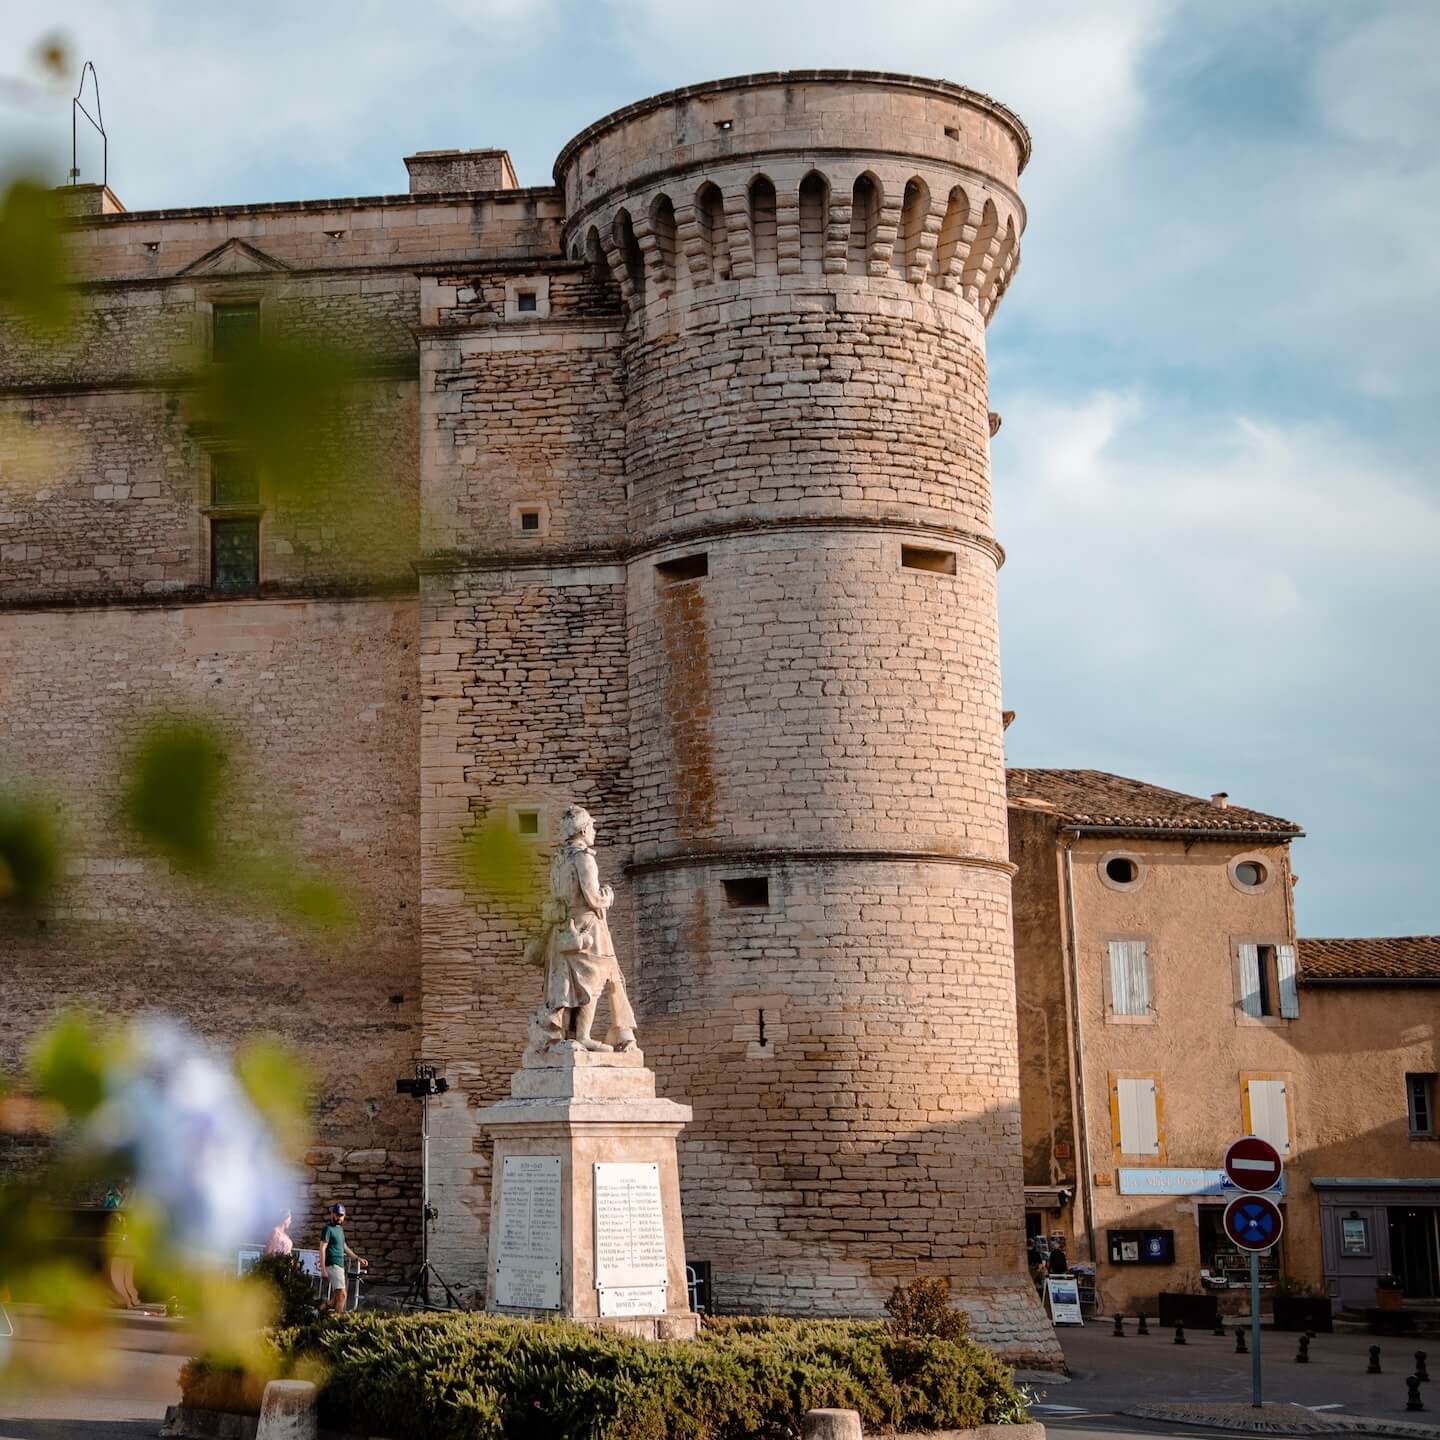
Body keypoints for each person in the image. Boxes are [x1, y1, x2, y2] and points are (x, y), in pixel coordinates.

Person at [525, 804, 637, 1056]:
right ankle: (583, 1036)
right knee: (593, 981)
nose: (594, 831)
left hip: (561, 930)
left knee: (567, 984)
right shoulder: (583, 858)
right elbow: (593, 898)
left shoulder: (558, 860)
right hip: (587, 927)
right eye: (592, 826)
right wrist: (608, 896)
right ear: (584, 829)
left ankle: (567, 1036)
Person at [319, 1203, 366, 1314]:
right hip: (332, 1264)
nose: (340, 1217)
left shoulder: (340, 1229)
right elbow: (322, 1249)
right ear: (332, 1214)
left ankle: (321, 1310)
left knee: (335, 1299)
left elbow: (344, 1247)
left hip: (340, 1265)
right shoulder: (328, 1229)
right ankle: (336, 1323)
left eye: (342, 1215)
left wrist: (357, 1258)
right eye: (338, 1215)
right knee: (342, 1294)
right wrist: (323, 1269)